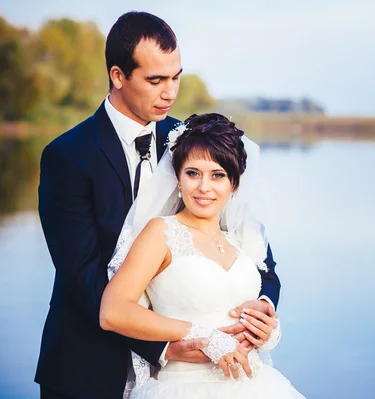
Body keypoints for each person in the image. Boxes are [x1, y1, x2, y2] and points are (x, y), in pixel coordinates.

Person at [36, 11, 281, 399]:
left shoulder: (193, 142)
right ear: (118, 76)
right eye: (155, 80)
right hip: (90, 367)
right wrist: (165, 347)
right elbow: (80, 275)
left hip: (207, 373)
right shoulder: (67, 156)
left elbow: (255, 252)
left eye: (176, 77)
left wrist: (262, 309)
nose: (170, 92)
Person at [100, 113, 303, 398]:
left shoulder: (240, 241)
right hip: (184, 387)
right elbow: (113, 312)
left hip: (256, 385)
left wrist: (266, 329)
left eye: (218, 175)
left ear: (235, 183)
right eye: (193, 173)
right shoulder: (161, 232)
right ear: (178, 178)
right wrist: (203, 336)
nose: (204, 187)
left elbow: (261, 300)